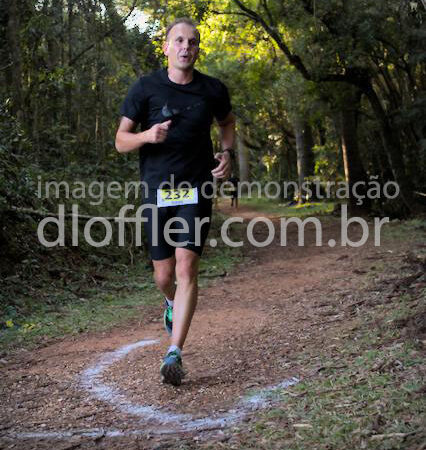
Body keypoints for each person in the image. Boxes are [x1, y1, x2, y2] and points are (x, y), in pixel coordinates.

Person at [115, 18, 236, 386]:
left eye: (193, 42)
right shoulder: (145, 88)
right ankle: (170, 301)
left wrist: (227, 153)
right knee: (164, 276)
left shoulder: (212, 89)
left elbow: (227, 122)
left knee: (186, 270)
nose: (186, 47)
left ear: (198, 49)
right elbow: (120, 140)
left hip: (196, 188)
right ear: (166, 47)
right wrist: (147, 135)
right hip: (157, 191)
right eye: (179, 41)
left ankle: (174, 352)